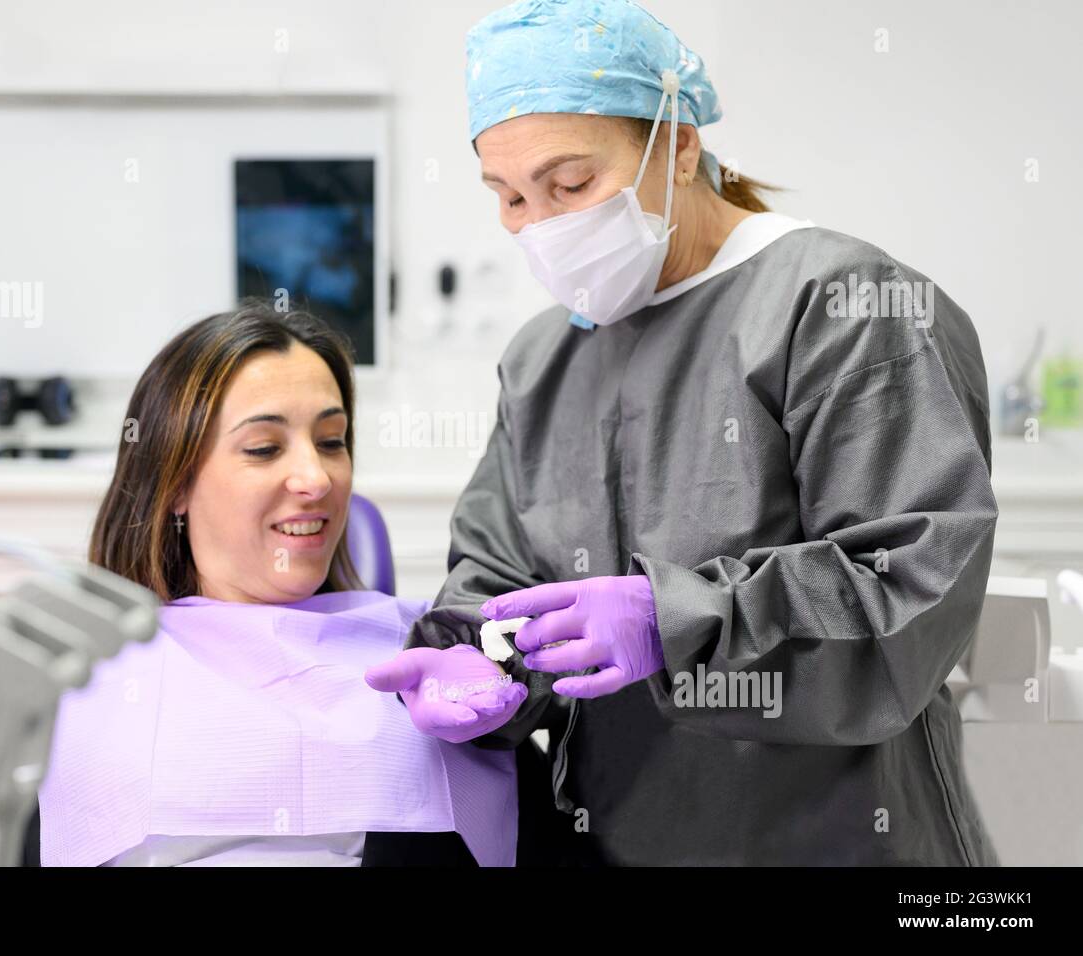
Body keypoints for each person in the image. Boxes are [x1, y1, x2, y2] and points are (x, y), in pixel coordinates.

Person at [367, 0, 999, 865]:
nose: (540, 223)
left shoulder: (842, 304)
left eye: (571, 183)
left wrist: (683, 620)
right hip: (619, 836)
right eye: (509, 196)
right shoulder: (546, 357)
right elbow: (499, 576)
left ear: (679, 145)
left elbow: (912, 585)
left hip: (838, 839)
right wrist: (475, 661)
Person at [29, 300, 517, 867]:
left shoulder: (426, 658)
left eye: (332, 441)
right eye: (264, 448)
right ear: (176, 483)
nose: (316, 478)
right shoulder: (91, 680)